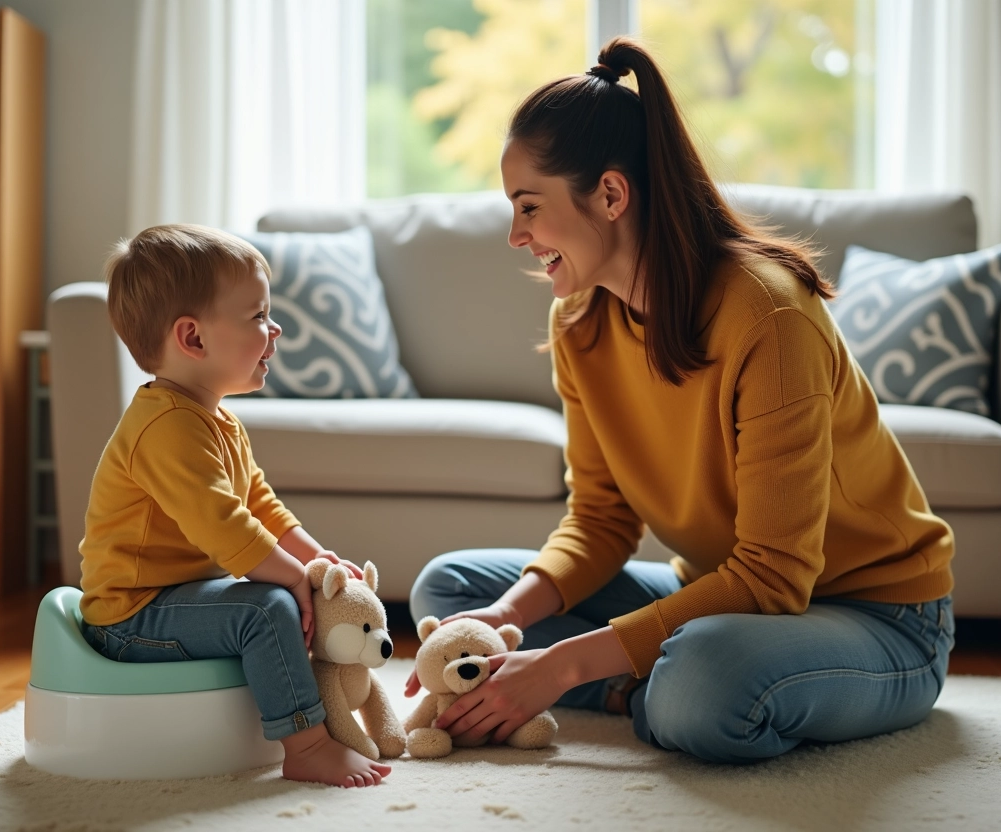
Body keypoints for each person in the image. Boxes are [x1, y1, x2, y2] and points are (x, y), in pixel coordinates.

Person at [407, 38, 956, 764]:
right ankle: (638, 683)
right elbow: (601, 519)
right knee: (450, 594)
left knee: (702, 685)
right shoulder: (579, 321)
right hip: (720, 594)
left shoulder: (768, 315)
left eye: (529, 207)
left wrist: (564, 664)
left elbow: (774, 574)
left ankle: (644, 686)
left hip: (879, 616)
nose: (517, 236)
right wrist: (507, 621)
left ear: (610, 194)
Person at [79, 224, 390, 788]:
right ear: (193, 338)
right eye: (257, 317)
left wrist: (319, 561)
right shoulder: (166, 427)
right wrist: (296, 583)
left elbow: (262, 507)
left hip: (174, 598)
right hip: (131, 614)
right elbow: (226, 528)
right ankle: (308, 744)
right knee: (266, 608)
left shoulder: (217, 419)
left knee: (276, 594)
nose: (275, 330)